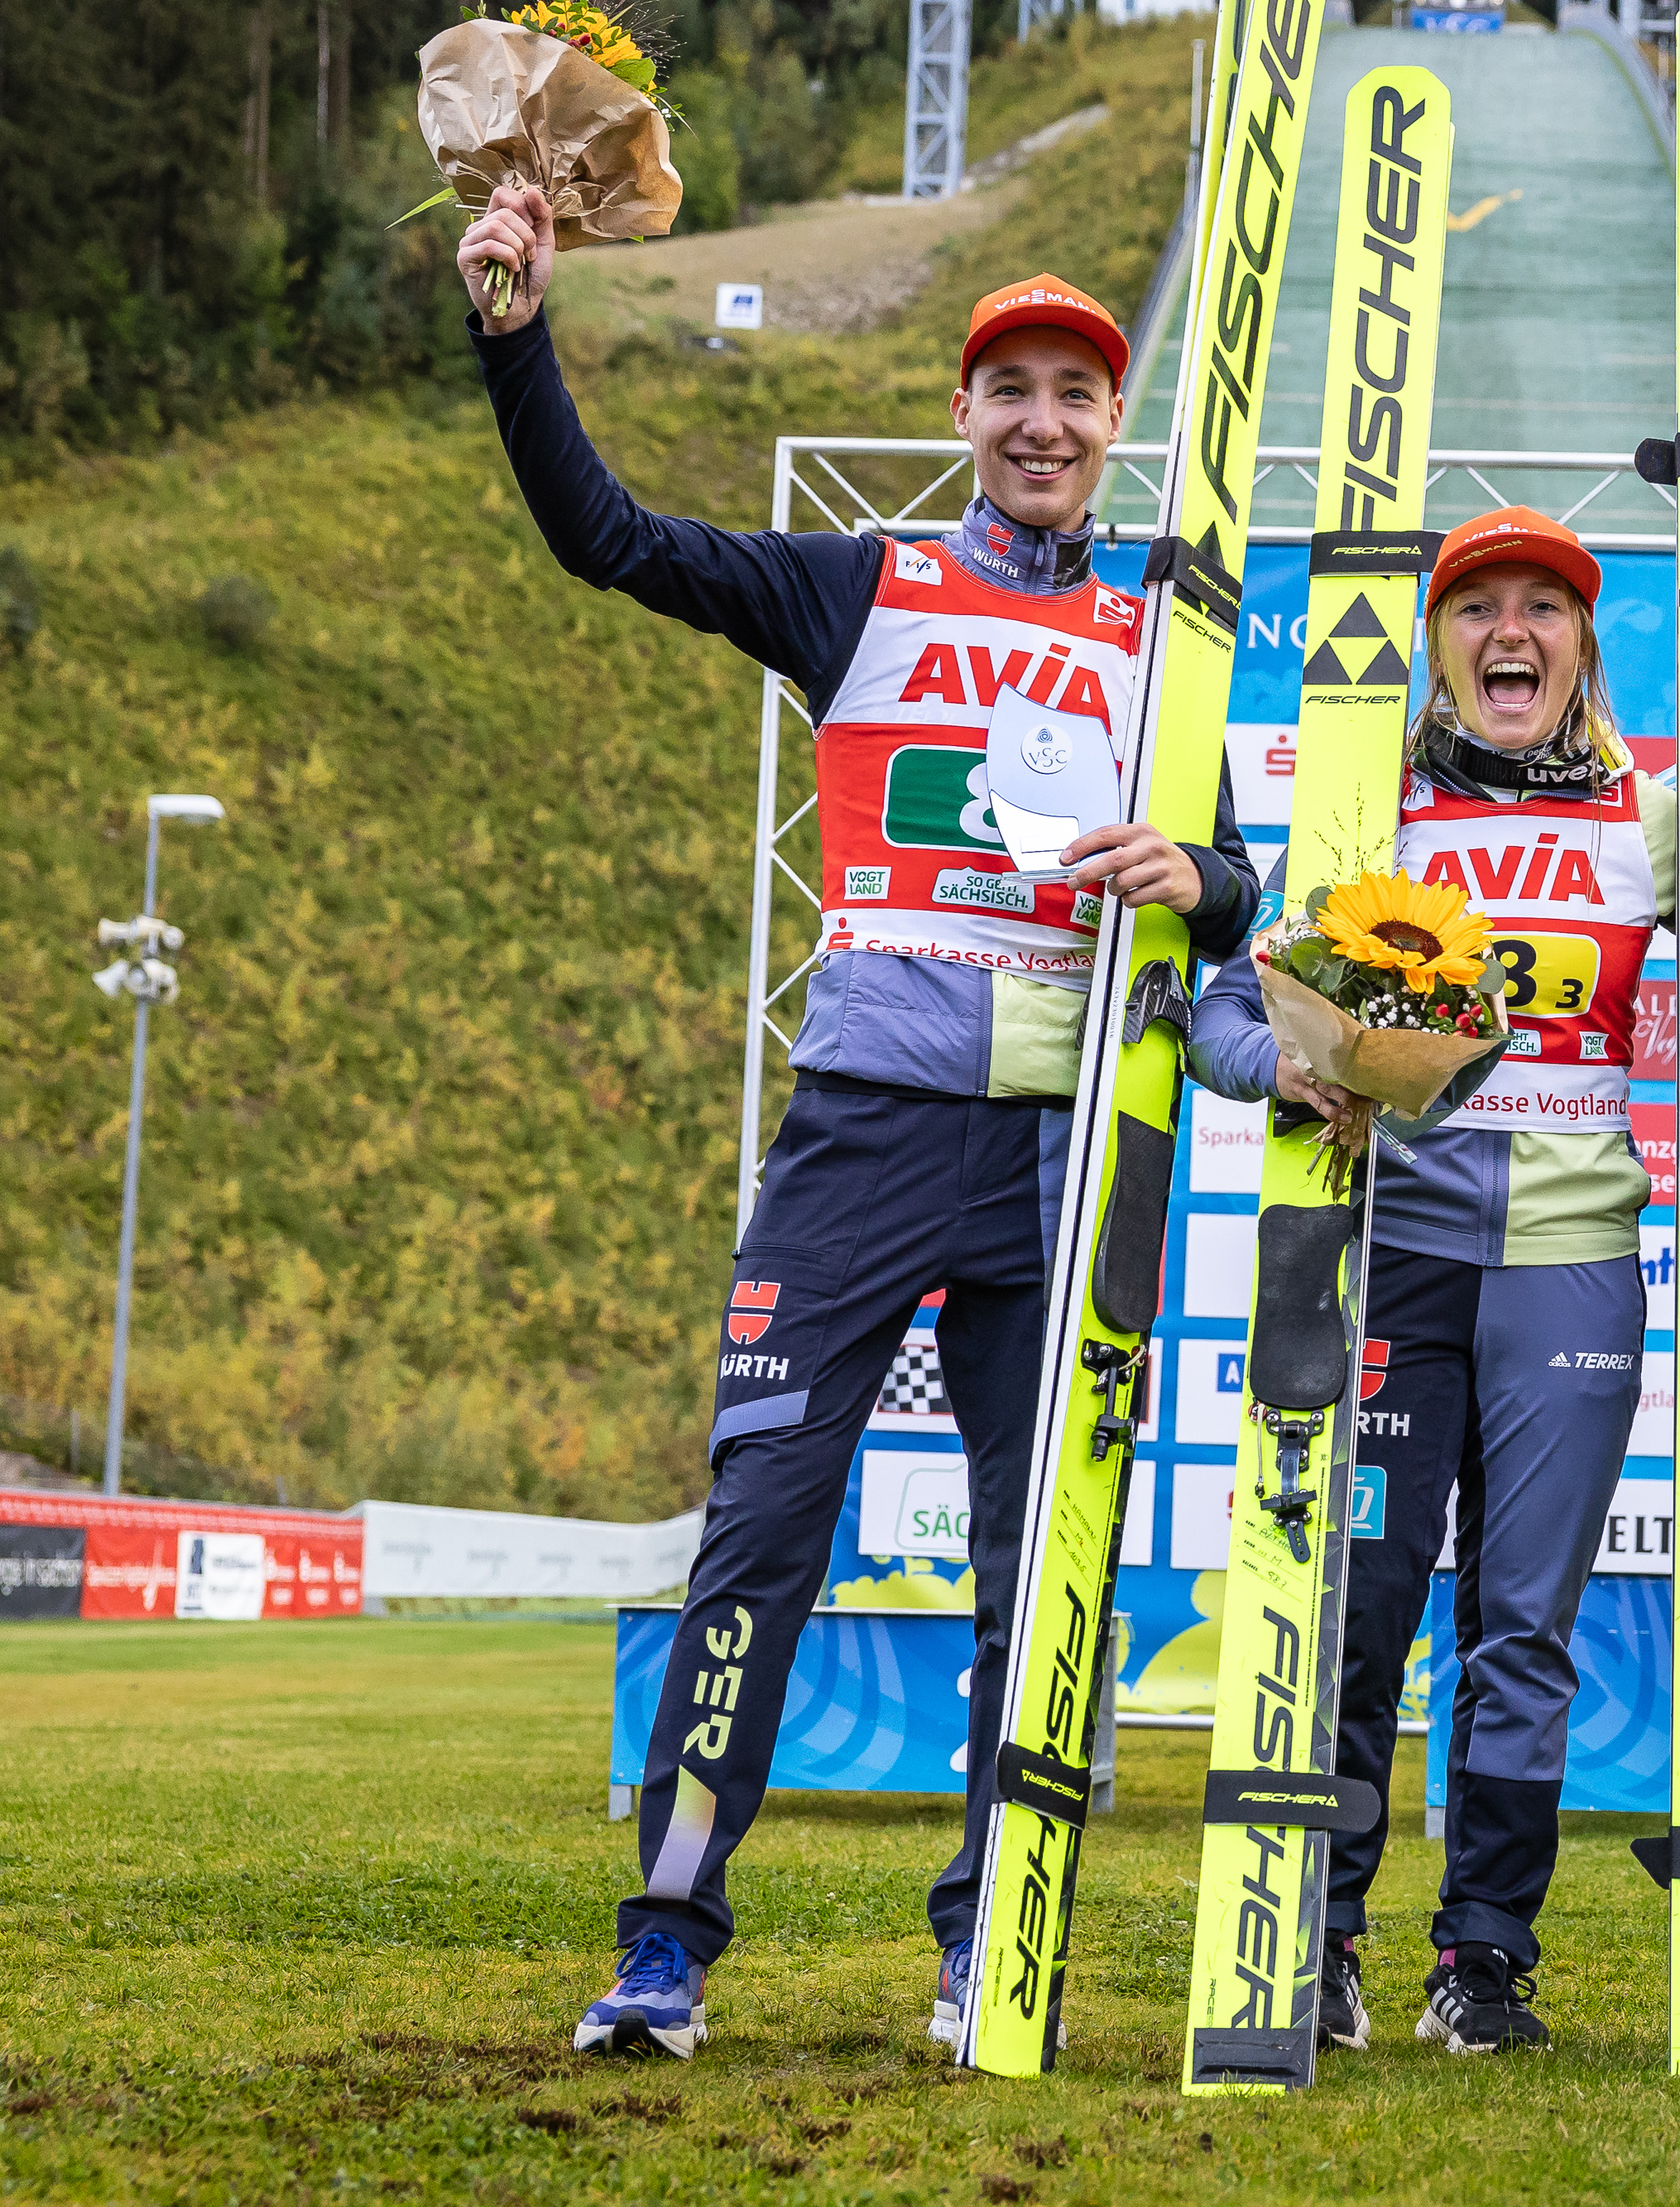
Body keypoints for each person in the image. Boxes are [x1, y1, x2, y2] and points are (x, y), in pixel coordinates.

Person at [450, 184, 1261, 2060]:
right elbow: (604, 539)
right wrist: (514, 334)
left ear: (1112, 421)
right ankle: (664, 1940)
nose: (1043, 422)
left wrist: (1203, 877)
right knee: (760, 1530)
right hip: (865, 1137)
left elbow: (1232, 888)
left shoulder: (1169, 635)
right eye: (1011, 391)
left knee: (1037, 1571)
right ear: (962, 412)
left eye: (1075, 392)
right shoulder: (860, 582)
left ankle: (989, 1944)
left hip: (1062, 1154)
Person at [1188, 507, 1672, 2059]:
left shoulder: (1652, 817)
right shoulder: (1365, 818)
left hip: (1574, 1267)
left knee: (1524, 1629)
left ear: (1584, 645)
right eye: (1477, 608)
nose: (1511, 632)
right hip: (1394, 1257)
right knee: (1362, 1610)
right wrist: (1282, 1067)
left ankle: (1485, 1959)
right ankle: (1321, 1938)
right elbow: (1216, 1011)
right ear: (1439, 646)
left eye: (1546, 607)